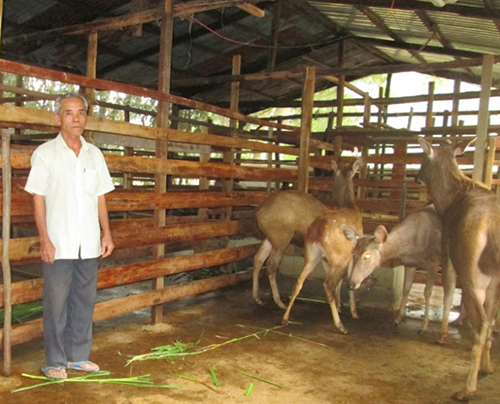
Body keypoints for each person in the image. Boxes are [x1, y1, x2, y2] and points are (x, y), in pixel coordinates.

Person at [25, 93, 115, 379]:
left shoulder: (94, 154)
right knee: (56, 303)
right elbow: (37, 197)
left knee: (83, 301)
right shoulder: (45, 154)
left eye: (80, 112)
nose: (76, 118)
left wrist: (107, 233)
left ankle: (78, 356)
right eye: (68, 113)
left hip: (88, 242)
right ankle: (54, 360)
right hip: (59, 244)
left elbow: (100, 197)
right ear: (57, 119)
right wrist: (45, 238)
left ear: (86, 118)